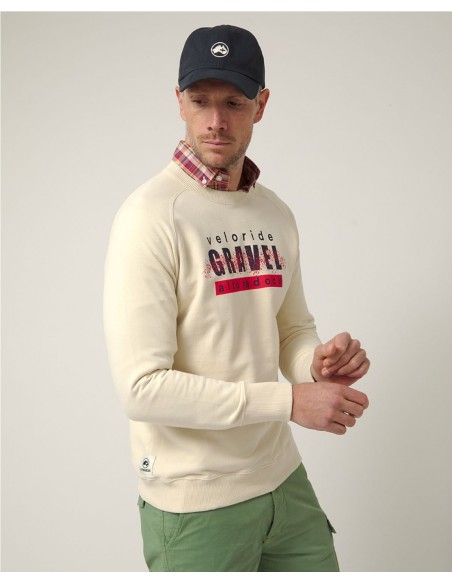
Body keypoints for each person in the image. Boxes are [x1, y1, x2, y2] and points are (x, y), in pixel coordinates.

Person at [103, 24, 370, 572]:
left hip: (283, 483)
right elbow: (142, 389)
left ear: (261, 105)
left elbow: (291, 328)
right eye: (200, 101)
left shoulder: (274, 213)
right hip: (195, 504)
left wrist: (316, 365)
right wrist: (290, 402)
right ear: (179, 102)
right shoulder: (150, 218)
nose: (215, 122)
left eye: (233, 103)